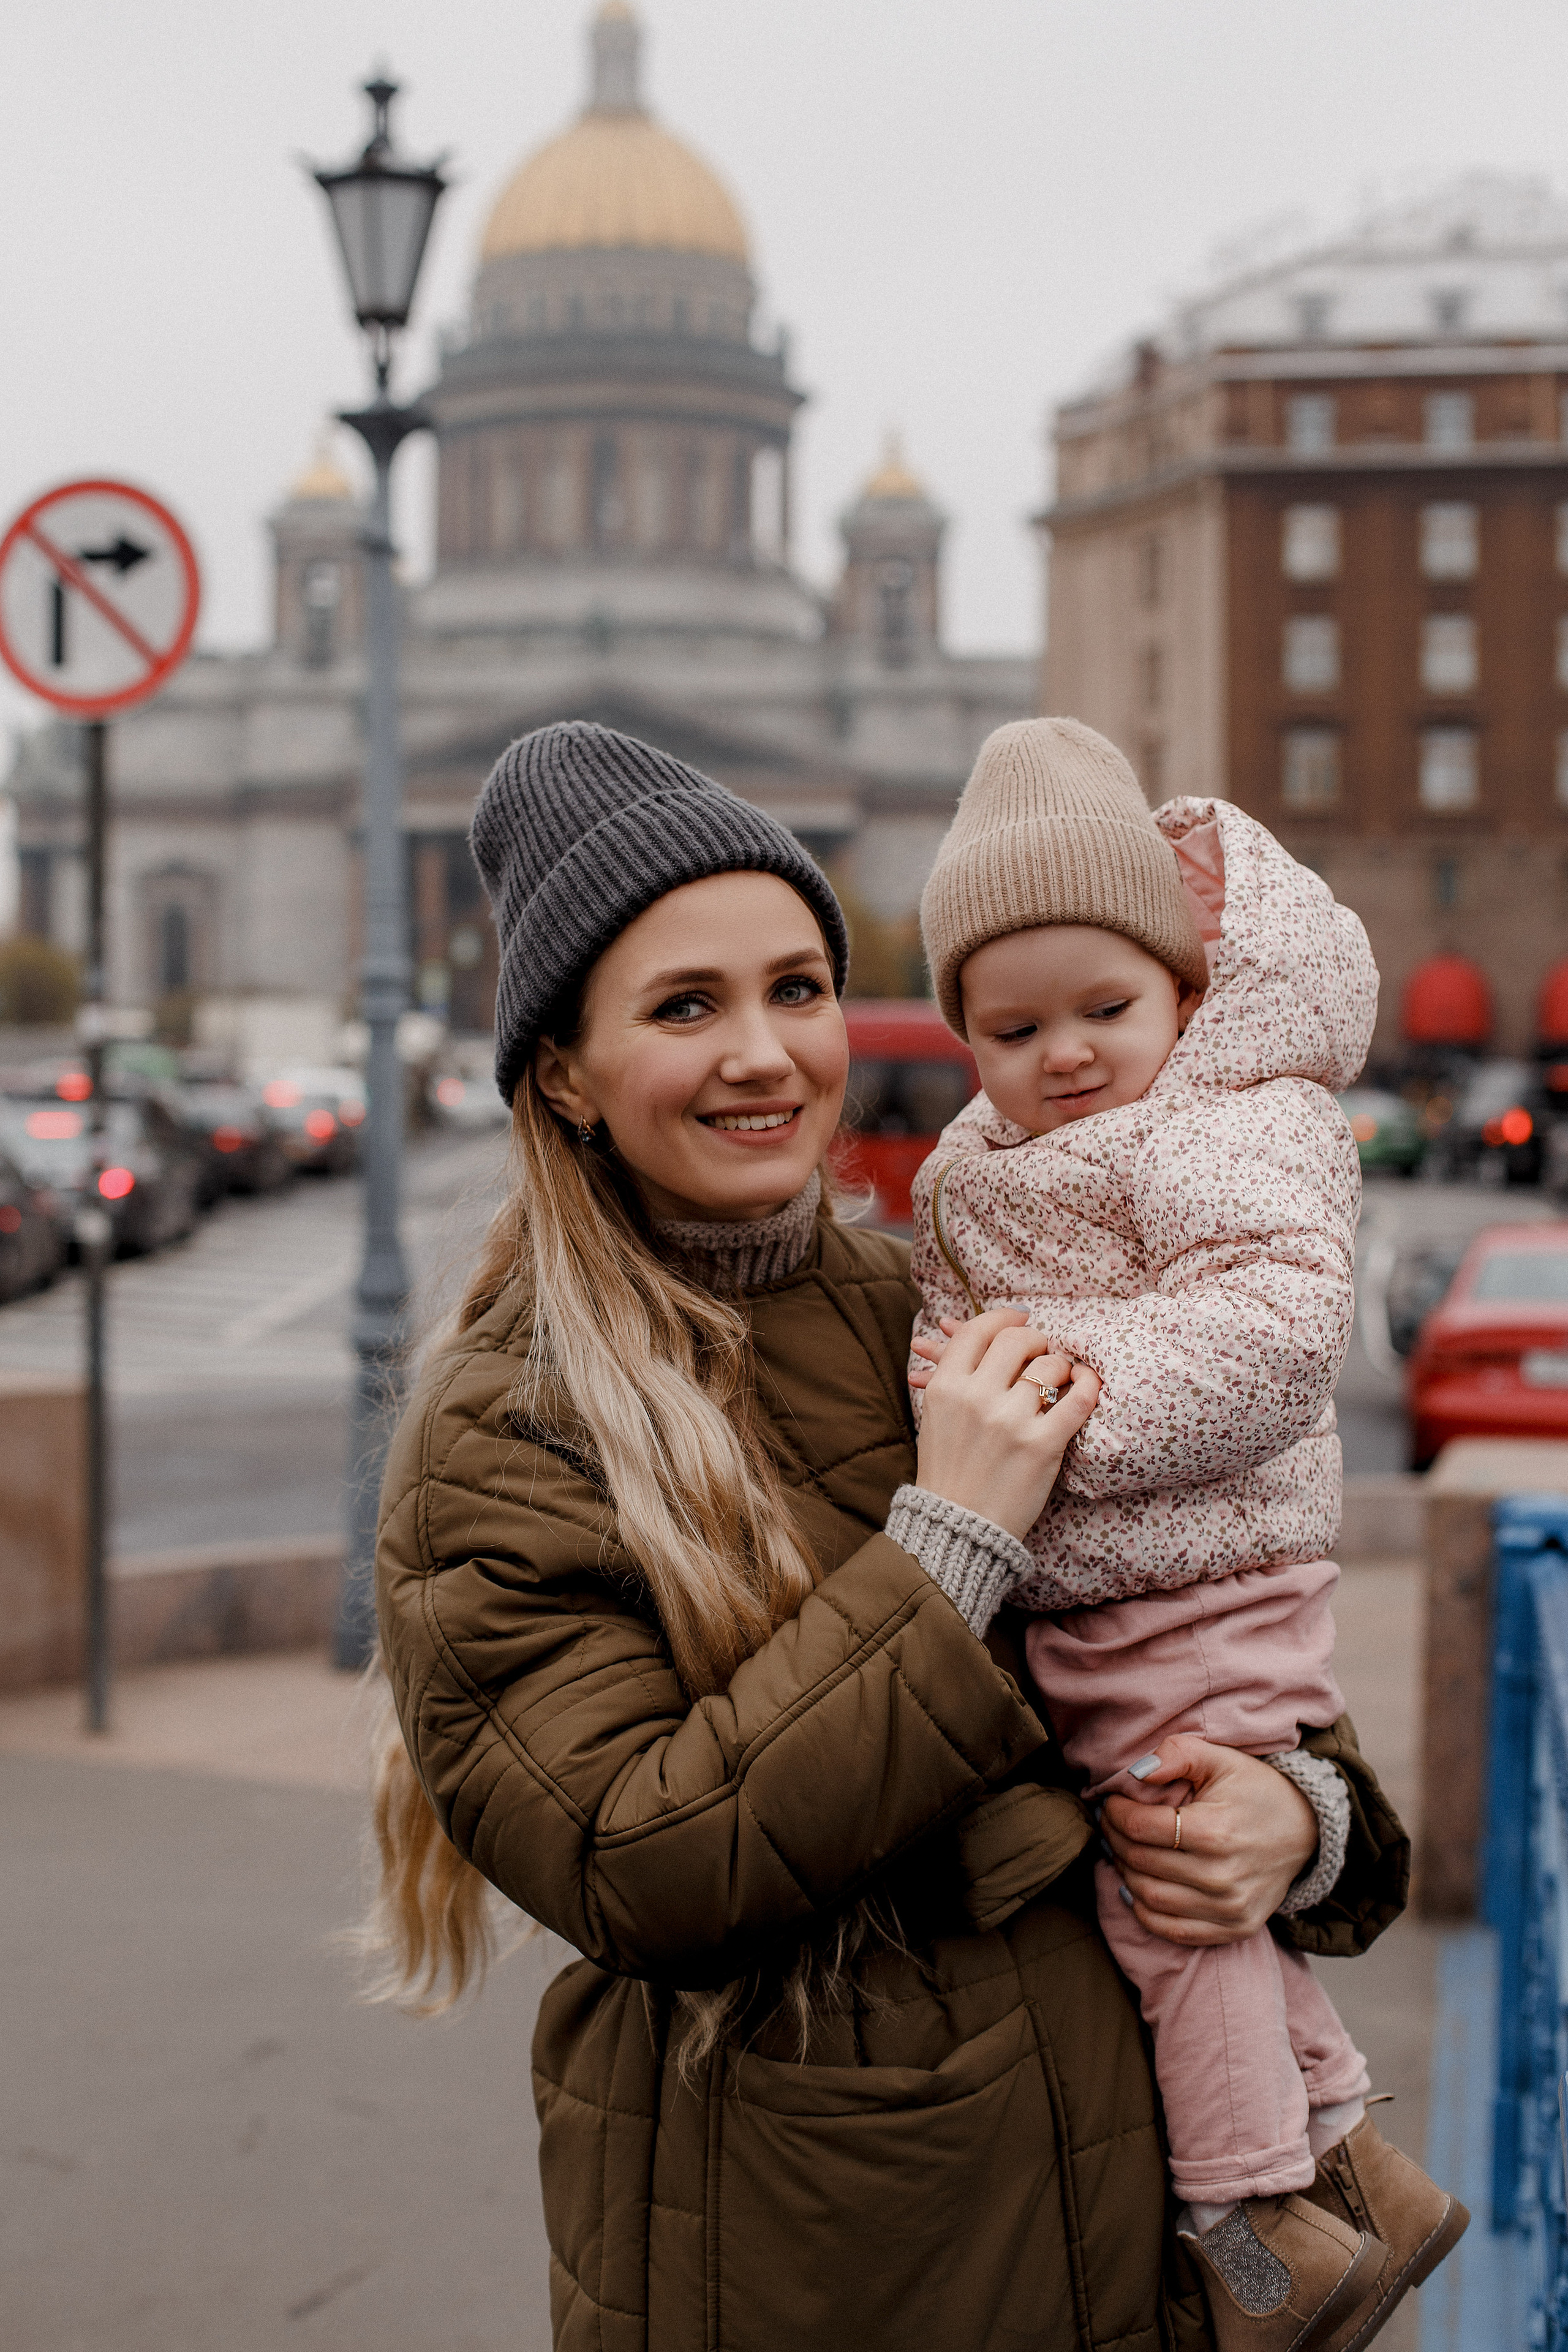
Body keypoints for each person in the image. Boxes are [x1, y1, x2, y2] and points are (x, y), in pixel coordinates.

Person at [372, 720, 1409, 2352]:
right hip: (838, 2259)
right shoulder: (504, 1435)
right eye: (685, 1006)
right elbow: (639, 1864)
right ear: (561, 1070)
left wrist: (1306, 1819)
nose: (767, 1054)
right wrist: (950, 1549)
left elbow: (1201, 1641)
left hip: (1136, 2229)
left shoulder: (941, 1304)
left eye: (795, 988)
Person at [908, 717, 1464, 2351]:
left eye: (1107, 1008)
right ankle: (1359, 2165)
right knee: (1190, 1883)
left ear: (1184, 993)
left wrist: (1020, 1409)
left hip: (1197, 1591)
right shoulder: (991, 1161)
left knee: (1170, 1908)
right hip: (1147, 1594)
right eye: (1014, 1027)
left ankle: (1246, 2227)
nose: (1066, 1051)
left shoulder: (1224, 1120)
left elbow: (1275, 1334)